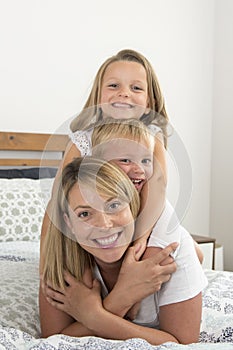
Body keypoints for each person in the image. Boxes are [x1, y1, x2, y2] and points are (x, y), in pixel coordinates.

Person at [40, 157, 207, 345]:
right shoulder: (61, 258)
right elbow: (52, 342)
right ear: (69, 223)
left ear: (132, 206)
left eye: (113, 205)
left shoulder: (169, 252)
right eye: (85, 214)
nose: (104, 225)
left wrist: (95, 316)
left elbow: (184, 344)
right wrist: (121, 298)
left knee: (191, 251)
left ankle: (197, 252)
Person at [40, 49, 169, 274]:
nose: (124, 94)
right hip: (100, 225)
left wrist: (141, 239)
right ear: (98, 94)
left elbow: (158, 184)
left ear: (151, 100)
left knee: (164, 259)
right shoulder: (83, 139)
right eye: (113, 86)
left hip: (145, 219)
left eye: (136, 88)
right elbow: (58, 195)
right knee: (79, 270)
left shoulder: (151, 135)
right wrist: (47, 257)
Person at [91, 117, 203, 262]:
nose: (139, 169)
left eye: (146, 160)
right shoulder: (94, 199)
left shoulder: (152, 202)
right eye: (125, 160)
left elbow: (196, 256)